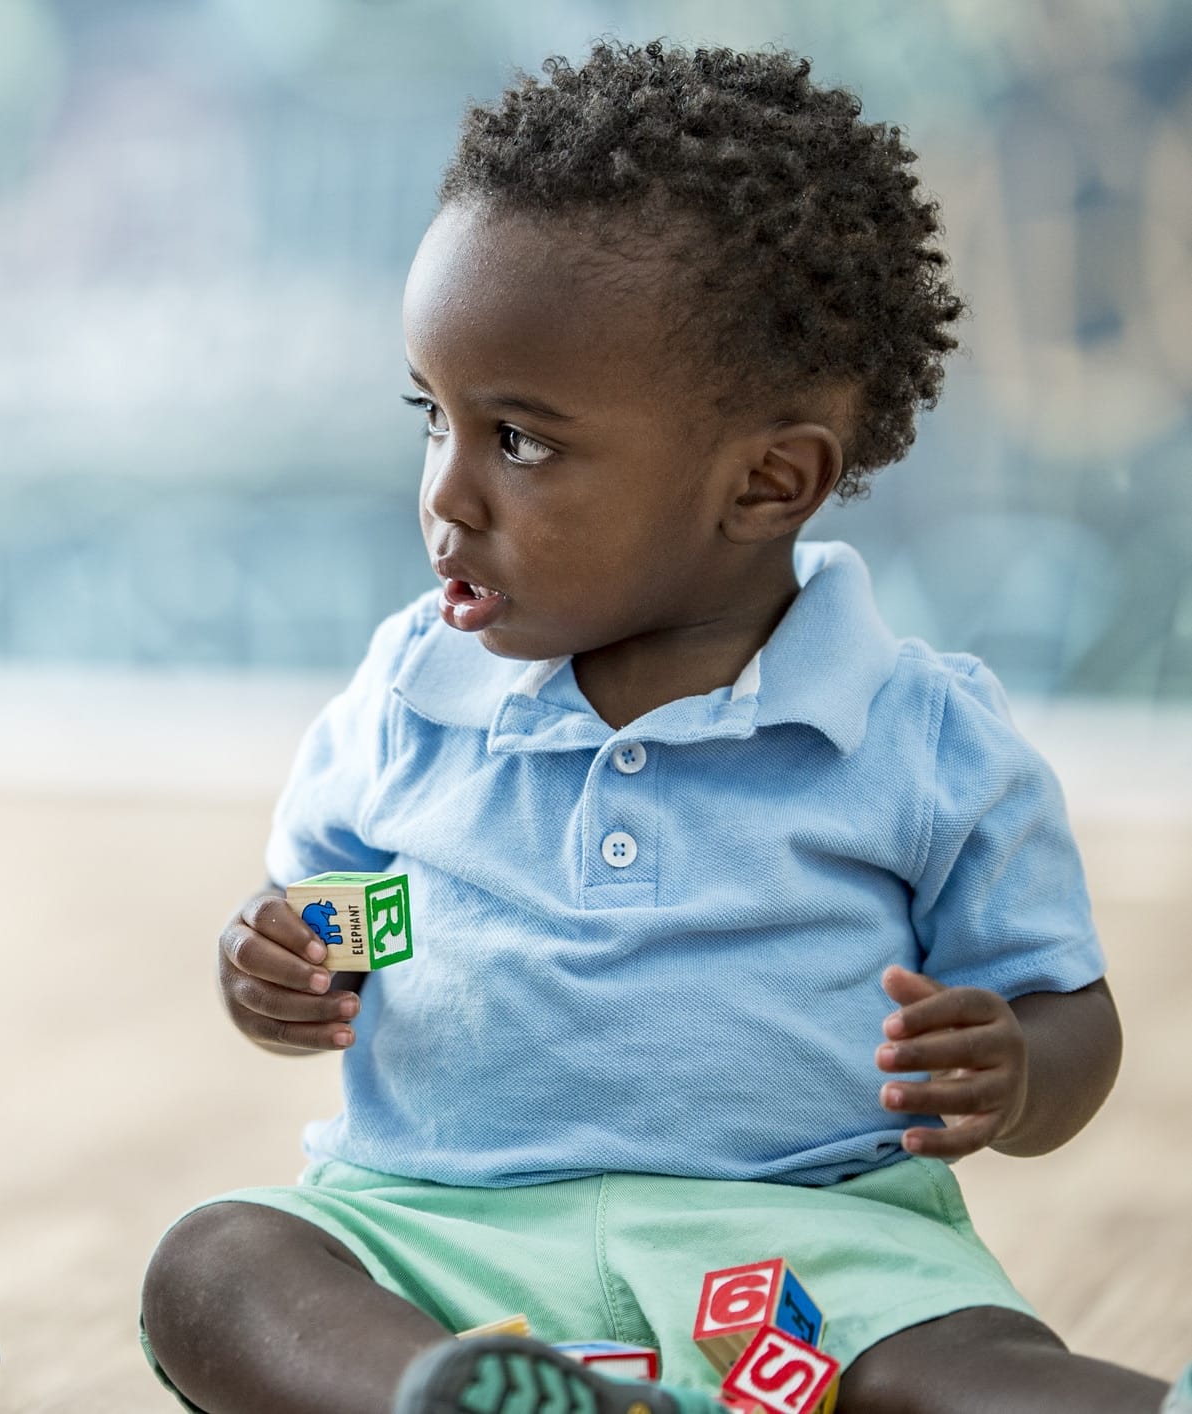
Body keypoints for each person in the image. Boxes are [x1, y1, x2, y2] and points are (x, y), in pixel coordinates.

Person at [141, 39, 1188, 1414]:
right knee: (218, 1262)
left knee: (953, 1364)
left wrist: (1014, 1066)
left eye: (515, 440)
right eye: (431, 417)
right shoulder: (407, 697)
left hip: (804, 1243)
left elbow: (1068, 1017)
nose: (446, 495)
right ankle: (453, 1395)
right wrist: (270, 961)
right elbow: (331, 908)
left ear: (764, 481)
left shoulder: (919, 739)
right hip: (443, 1237)